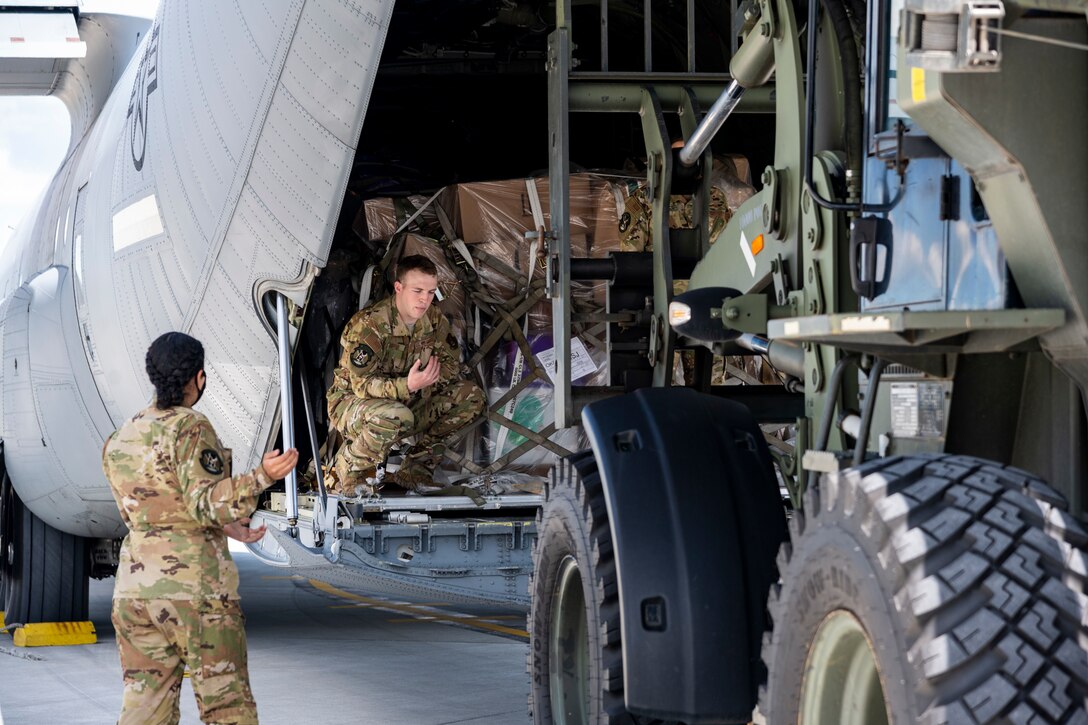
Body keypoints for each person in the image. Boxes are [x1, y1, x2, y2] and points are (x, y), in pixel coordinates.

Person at [102, 332, 298, 725]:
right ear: (199, 377)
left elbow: (156, 507)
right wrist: (262, 476)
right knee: (227, 710)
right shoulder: (191, 427)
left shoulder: (122, 435)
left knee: (144, 710)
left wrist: (228, 529)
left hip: (135, 592)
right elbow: (205, 501)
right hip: (195, 593)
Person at [327, 254, 485, 493]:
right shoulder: (371, 325)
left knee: (471, 396)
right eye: (418, 290)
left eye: (431, 292)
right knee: (396, 415)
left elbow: (450, 364)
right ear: (399, 287)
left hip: (409, 402)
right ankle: (349, 467)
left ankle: (416, 469)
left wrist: (426, 383)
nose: (424, 299)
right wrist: (407, 385)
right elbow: (361, 385)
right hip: (352, 405)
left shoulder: (433, 320)